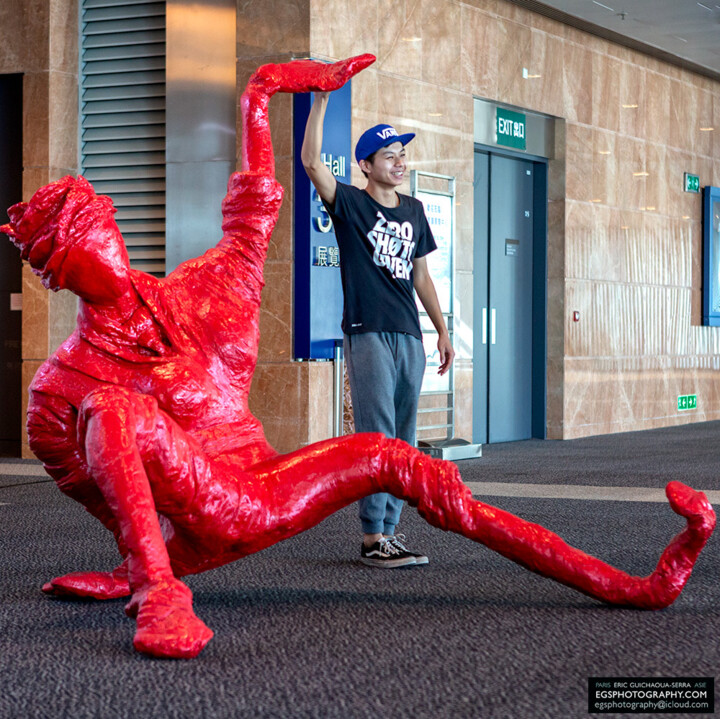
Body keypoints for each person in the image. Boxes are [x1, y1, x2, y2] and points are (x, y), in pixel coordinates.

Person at [1, 54, 714, 660]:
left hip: (268, 482)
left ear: (111, 226)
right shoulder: (61, 385)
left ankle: (630, 583)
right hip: (208, 499)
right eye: (60, 251)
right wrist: (145, 564)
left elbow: (252, 203)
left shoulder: (205, 288)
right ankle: (160, 596)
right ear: (50, 276)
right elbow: (106, 488)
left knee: (401, 457)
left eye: (89, 228)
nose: (89, 252)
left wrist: (264, 88)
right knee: (115, 408)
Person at [302, 100, 455, 568]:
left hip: (408, 332)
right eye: (389, 156)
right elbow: (310, 161)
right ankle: (372, 536)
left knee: (404, 439)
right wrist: (322, 100)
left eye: (402, 155)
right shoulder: (350, 203)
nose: (399, 163)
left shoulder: (413, 209)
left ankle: (390, 532)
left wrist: (442, 331)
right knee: (378, 435)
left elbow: (422, 277)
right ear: (365, 166)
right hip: (367, 331)